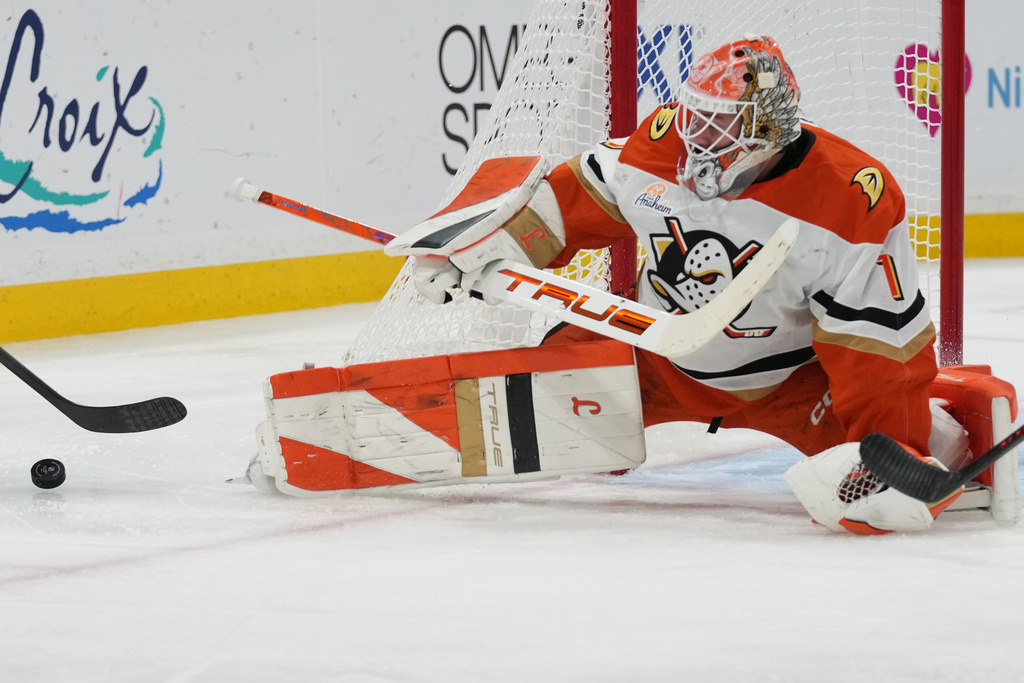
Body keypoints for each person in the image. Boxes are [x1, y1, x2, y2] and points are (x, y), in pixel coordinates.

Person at [249, 35, 1016, 534]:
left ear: (767, 132)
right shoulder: (659, 149)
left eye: (719, 128)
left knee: (878, 491)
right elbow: (570, 201)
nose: (695, 140)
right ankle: (328, 432)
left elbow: (879, 348)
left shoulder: (850, 199)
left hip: (793, 382)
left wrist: (892, 448)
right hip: (654, 362)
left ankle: (948, 427)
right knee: (539, 400)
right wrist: (490, 245)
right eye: (695, 118)